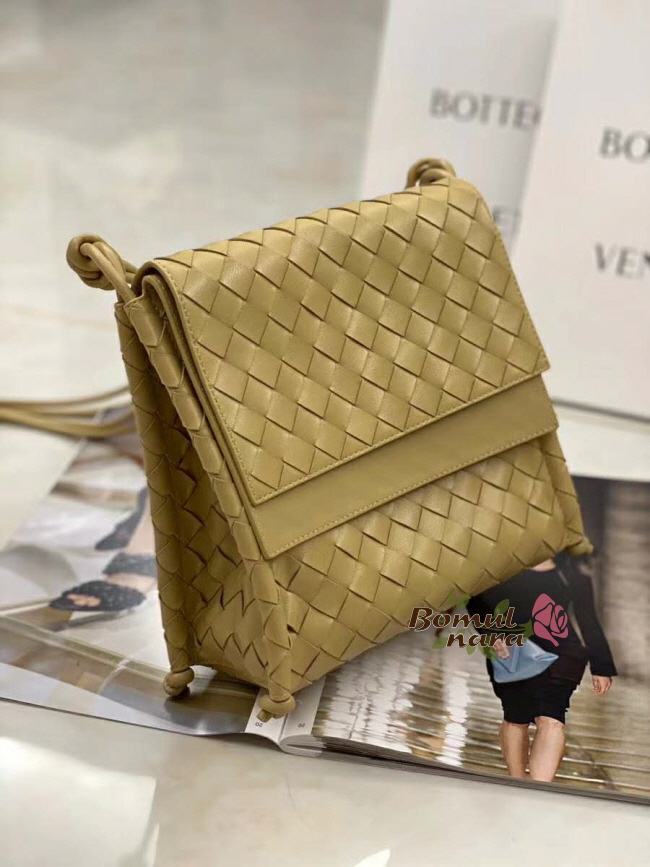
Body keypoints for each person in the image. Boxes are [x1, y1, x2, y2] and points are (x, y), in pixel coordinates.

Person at [466, 552, 616, 783]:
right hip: (513, 653)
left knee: (552, 718)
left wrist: (601, 666)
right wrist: (490, 633)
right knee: (516, 717)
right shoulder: (500, 567)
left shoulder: (572, 575)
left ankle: (540, 790)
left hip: (563, 655)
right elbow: (474, 600)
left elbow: (588, 620)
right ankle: (517, 784)